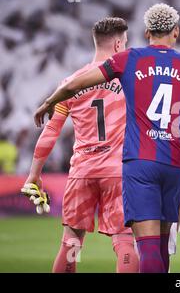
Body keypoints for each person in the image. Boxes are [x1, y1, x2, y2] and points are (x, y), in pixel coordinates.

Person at [33, 3, 180, 273]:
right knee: (161, 245)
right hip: (174, 163)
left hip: (139, 162)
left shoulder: (129, 59)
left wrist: (48, 102)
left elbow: (74, 85)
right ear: (175, 32)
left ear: (147, 32)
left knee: (143, 246)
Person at [22, 17, 138, 273]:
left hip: (81, 172)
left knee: (71, 243)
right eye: (126, 42)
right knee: (124, 241)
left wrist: (34, 174)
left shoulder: (70, 84)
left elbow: (51, 131)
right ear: (119, 44)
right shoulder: (128, 80)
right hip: (118, 171)